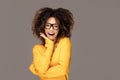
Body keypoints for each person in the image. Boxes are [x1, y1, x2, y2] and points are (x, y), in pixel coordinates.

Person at [29, 7, 74, 80]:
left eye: (55, 26)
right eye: (48, 25)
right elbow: (42, 69)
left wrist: (40, 72)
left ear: (60, 28)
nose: (51, 29)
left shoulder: (64, 42)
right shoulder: (37, 49)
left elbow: (63, 70)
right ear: (43, 27)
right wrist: (50, 45)